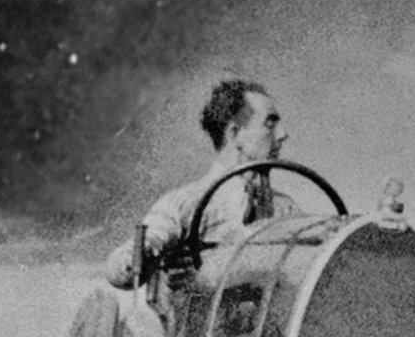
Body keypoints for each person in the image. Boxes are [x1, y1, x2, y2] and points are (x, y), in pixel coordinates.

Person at [104, 79, 293, 289]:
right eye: (270, 124)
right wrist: (139, 257)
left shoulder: (286, 209)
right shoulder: (185, 204)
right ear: (234, 134)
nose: (283, 134)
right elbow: (122, 267)